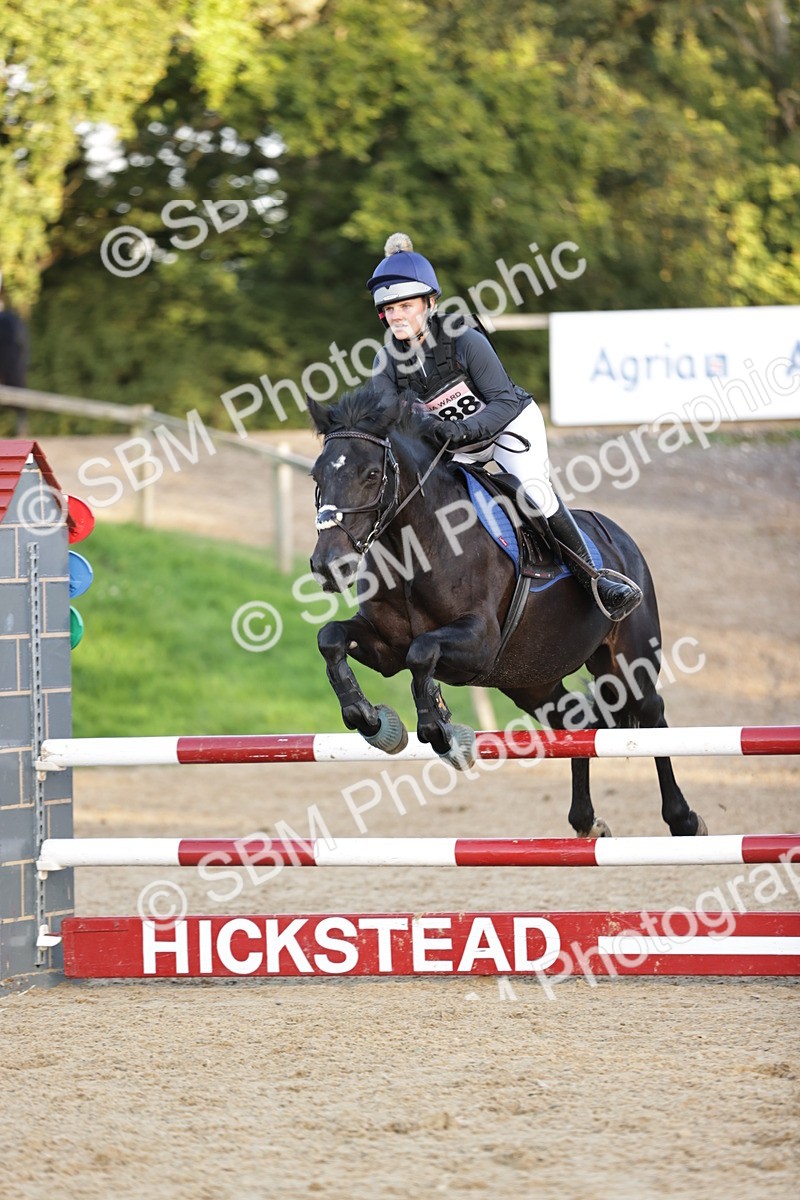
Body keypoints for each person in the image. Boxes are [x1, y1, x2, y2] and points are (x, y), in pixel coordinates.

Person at [367, 233, 642, 621]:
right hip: (456, 447)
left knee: (533, 491)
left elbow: (505, 401)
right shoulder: (386, 362)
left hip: (508, 426)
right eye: (389, 309)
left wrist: (460, 431)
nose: (396, 316)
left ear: (430, 303)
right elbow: (385, 418)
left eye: (405, 306)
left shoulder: (465, 340)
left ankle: (595, 579)